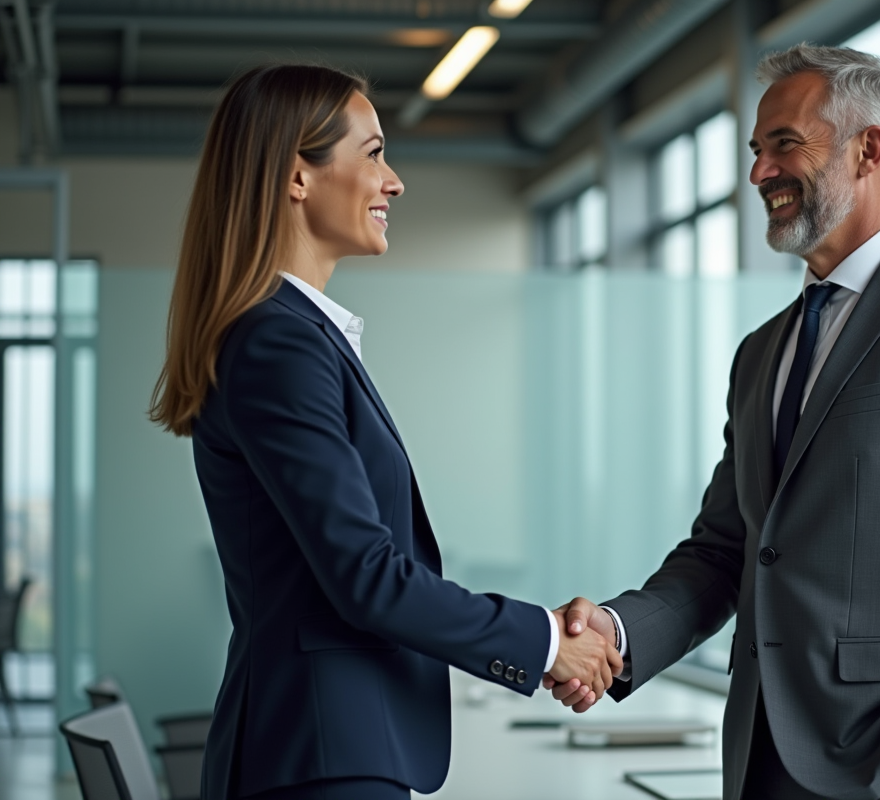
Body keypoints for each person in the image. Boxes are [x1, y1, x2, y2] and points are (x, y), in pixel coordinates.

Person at [548, 44, 880, 800]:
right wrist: (617, 632)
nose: (760, 172)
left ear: (870, 150)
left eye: (784, 145)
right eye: (757, 151)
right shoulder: (761, 351)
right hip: (761, 759)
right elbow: (727, 549)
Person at [148, 64, 621, 800]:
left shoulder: (292, 336)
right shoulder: (279, 342)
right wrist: (546, 642)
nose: (393, 181)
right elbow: (365, 575)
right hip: (325, 755)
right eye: (372, 153)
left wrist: (545, 638)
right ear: (296, 176)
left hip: (329, 747)